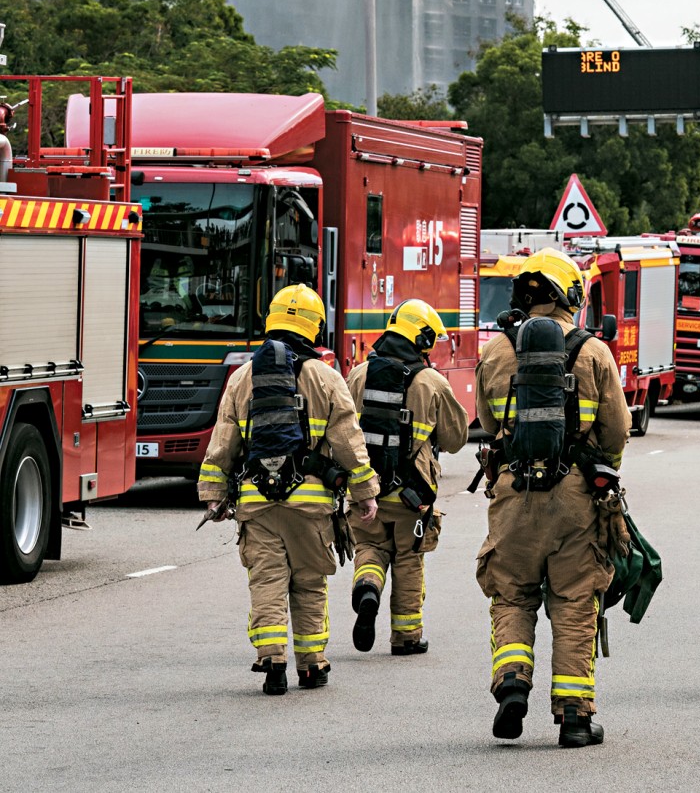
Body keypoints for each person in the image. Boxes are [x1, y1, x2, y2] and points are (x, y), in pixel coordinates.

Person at [475, 247, 631, 748]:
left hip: (513, 493)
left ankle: (513, 683)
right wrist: (601, 476)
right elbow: (618, 430)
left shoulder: (497, 352)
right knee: (574, 603)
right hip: (576, 498)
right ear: (572, 296)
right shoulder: (593, 352)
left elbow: (487, 421)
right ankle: (575, 719)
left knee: (513, 595)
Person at [198, 284, 379, 694]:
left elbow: (223, 440)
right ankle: (312, 665)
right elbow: (349, 442)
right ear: (314, 326)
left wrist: (213, 495)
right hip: (311, 509)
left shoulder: (243, 377)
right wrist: (364, 492)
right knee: (309, 582)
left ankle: (272, 662)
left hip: (256, 504)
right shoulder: (326, 378)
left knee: (266, 582)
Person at [346, 299, 468, 655]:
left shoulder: (359, 374)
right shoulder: (430, 381)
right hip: (411, 494)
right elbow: (456, 438)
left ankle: (368, 586)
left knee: (370, 547)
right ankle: (406, 637)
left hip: (365, 488)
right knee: (409, 557)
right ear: (423, 338)